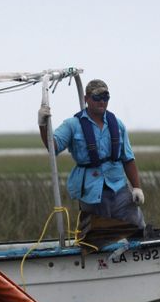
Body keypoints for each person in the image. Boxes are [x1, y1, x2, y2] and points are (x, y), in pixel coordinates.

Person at [38, 79, 145, 230]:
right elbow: (53, 147)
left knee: (136, 227)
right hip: (91, 190)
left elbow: (128, 159)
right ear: (86, 98)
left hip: (118, 187)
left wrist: (136, 188)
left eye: (105, 98)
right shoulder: (72, 125)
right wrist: (43, 125)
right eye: (96, 98)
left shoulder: (117, 124)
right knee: (95, 236)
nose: (102, 102)